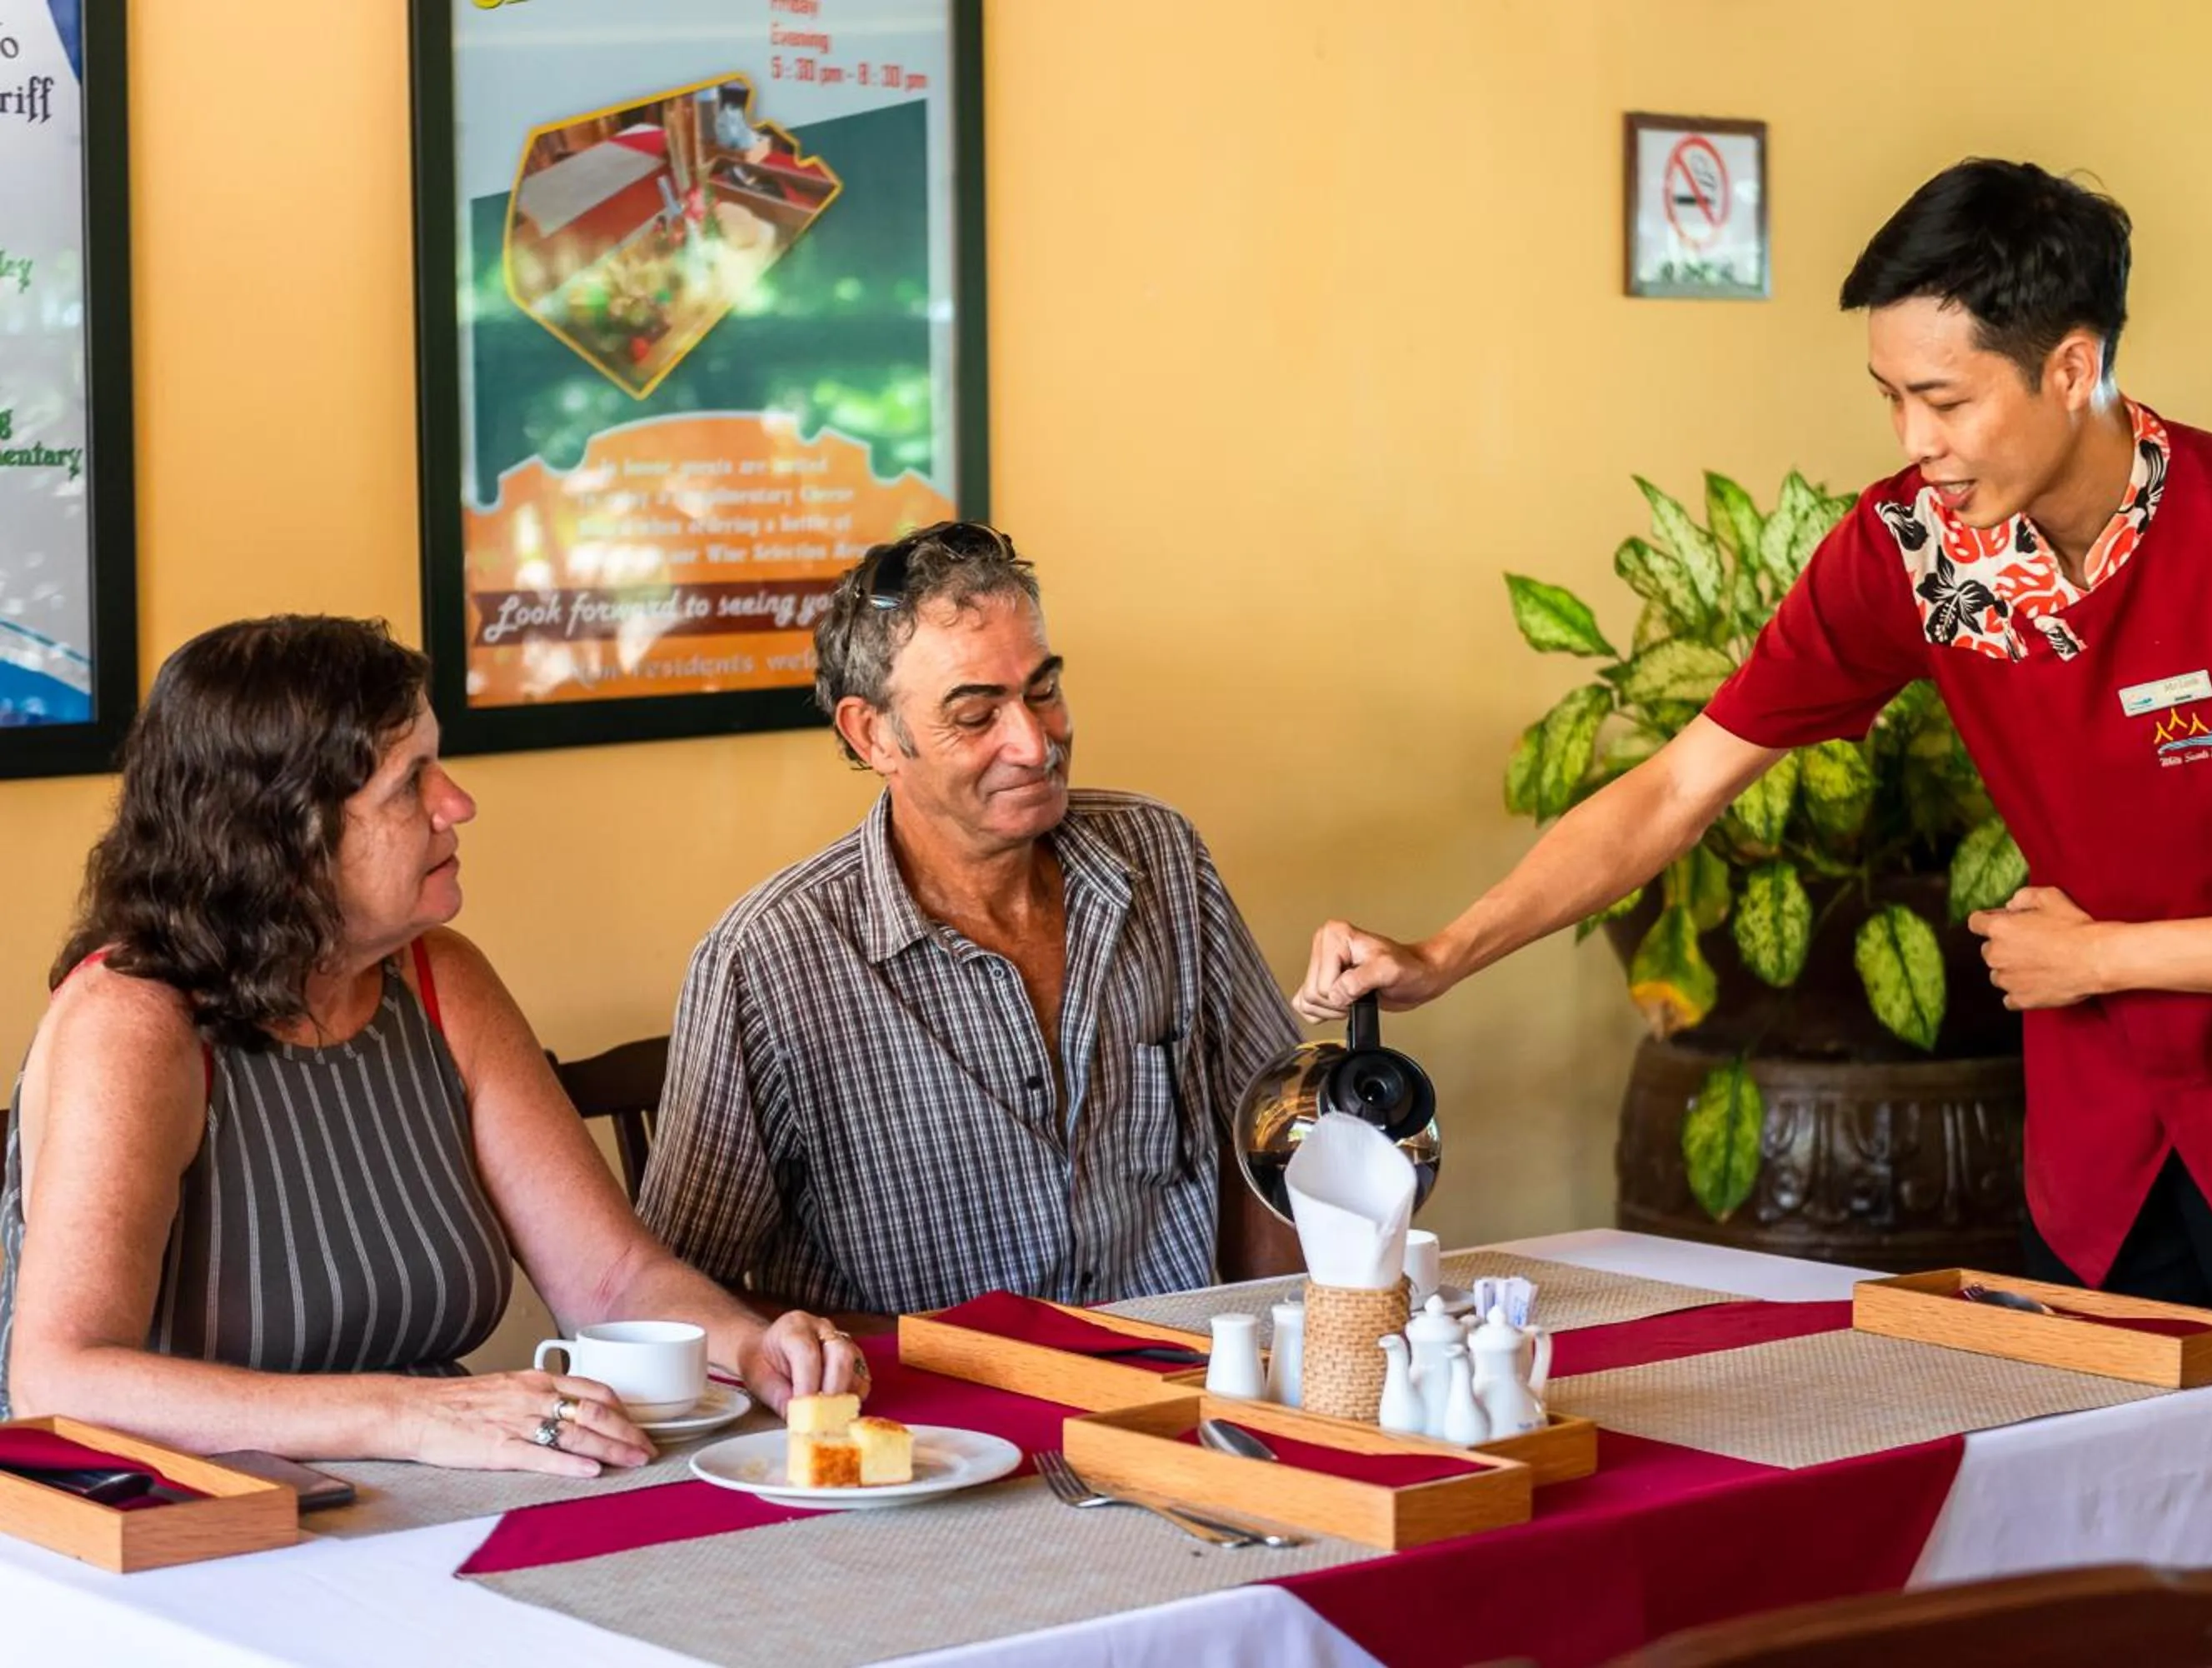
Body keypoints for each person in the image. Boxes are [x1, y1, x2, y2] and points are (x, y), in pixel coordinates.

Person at [1298, 159, 2212, 1428]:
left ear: (2073, 369)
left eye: (1944, 400)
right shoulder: (1912, 552)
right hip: (2106, 1141)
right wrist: (1442, 952)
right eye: (1891, 398)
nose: (1913, 443)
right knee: (2113, 1534)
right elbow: (1678, 785)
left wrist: (2105, 958)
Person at [0, 617, 866, 1474]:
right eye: (410, 783)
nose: (458, 804)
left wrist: (748, 1345)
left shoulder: (440, 978)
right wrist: (414, 1414)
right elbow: (59, 1380)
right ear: (286, 835)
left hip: (415, 1497)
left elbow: (612, 1282)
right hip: (189, 1528)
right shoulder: (132, 1019)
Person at [638, 521, 1303, 1316]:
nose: (1034, 742)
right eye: (977, 713)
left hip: (1172, 1387)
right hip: (924, 1422)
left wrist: (1279, 1348)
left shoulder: (1160, 856)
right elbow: (677, 1291)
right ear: (873, 732)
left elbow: (1273, 1133)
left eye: (1043, 690)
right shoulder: (769, 961)